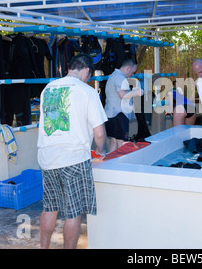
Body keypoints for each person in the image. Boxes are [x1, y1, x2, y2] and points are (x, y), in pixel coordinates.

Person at [37, 54, 108, 249]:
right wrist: (100, 151)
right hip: (73, 158)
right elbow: (99, 133)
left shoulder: (48, 89)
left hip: (47, 157)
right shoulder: (86, 91)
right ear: (86, 71)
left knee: (50, 207)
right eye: (89, 75)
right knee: (73, 212)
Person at [104, 59, 143, 152]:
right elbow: (122, 95)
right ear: (128, 68)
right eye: (133, 72)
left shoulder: (114, 75)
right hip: (118, 114)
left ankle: (111, 165)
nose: (133, 75)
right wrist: (137, 92)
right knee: (121, 142)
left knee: (114, 141)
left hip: (111, 113)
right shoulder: (119, 77)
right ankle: (121, 165)